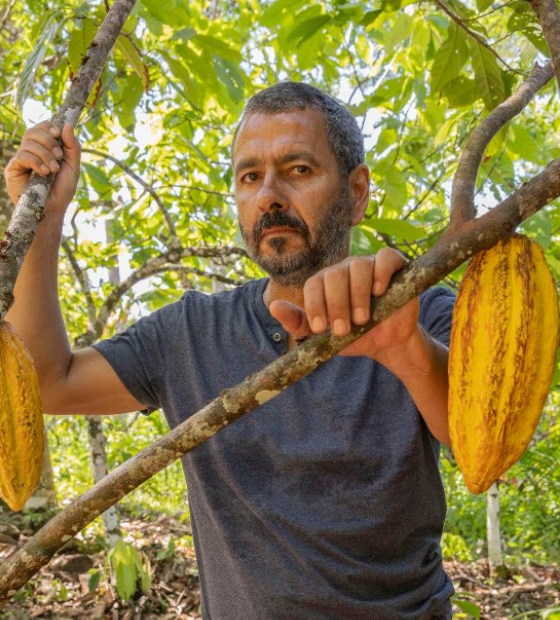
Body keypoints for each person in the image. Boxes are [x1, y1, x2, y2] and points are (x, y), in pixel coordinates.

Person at [4, 82, 455, 619]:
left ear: (356, 193)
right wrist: (45, 217)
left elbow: (487, 448)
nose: (268, 195)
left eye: (298, 170)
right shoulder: (191, 334)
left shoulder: (419, 312)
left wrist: (405, 349)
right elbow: (47, 383)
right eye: (249, 177)